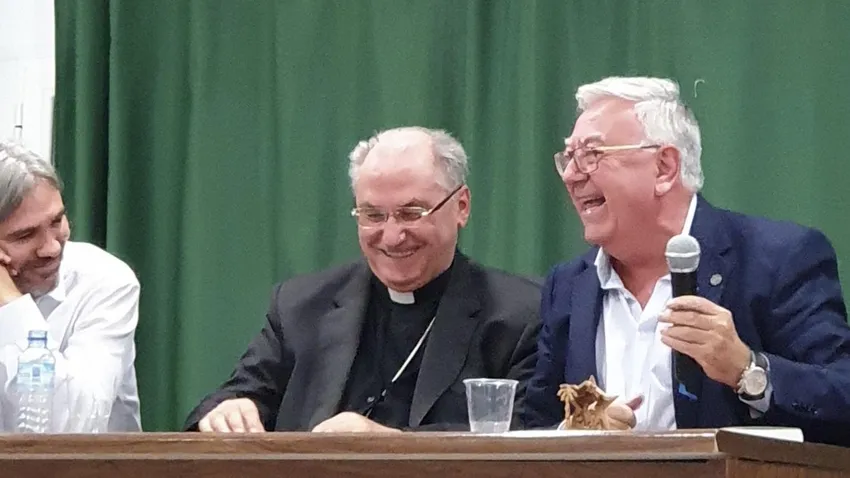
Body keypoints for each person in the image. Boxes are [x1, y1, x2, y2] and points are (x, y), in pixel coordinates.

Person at [522, 77, 850, 446]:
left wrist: (747, 371)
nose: (571, 174)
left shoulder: (777, 259)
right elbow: (534, 423)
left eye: (592, 154)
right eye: (568, 157)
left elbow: (843, 394)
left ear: (664, 167)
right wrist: (576, 432)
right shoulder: (569, 285)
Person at [185, 126, 540, 433]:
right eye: (372, 215)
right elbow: (239, 394)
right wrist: (231, 408)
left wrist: (391, 447)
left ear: (461, 206)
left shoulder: (520, 315)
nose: (392, 236)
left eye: (411, 213)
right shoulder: (301, 307)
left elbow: (529, 436)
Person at [0, 140, 141, 432]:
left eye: (57, 221)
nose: (51, 248)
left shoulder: (105, 281)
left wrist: (12, 306)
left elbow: (74, 428)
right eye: (25, 236)